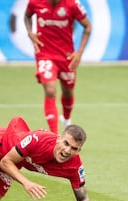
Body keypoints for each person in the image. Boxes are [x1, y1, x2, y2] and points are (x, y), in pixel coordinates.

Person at [24, 0, 92, 133]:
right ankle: (54, 136)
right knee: (50, 90)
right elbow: (27, 16)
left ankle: (66, 120)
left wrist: (79, 53)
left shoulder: (73, 4)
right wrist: (30, 32)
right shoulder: (35, 2)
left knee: (68, 92)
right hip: (45, 54)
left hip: (66, 56)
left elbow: (88, 26)